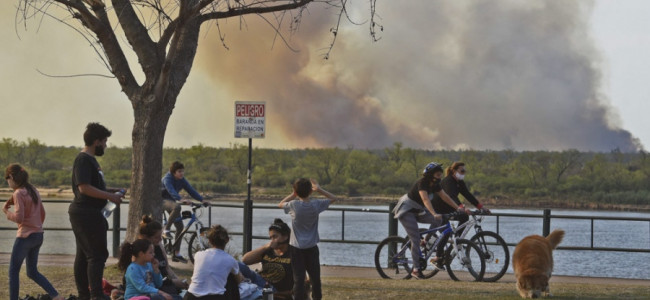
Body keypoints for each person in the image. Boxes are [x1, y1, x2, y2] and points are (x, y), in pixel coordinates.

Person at [69, 122, 125, 300]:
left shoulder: (91, 161)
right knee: (97, 254)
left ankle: (85, 295)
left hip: (89, 212)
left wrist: (112, 192)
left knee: (84, 256)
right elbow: (84, 188)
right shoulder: (83, 160)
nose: (106, 146)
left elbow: (93, 187)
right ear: (96, 141)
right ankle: (96, 295)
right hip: (86, 213)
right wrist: (110, 198)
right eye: (105, 141)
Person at [392, 162, 467, 279]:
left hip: (418, 210)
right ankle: (416, 270)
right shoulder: (422, 183)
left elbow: (445, 196)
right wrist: (433, 213)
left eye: (440, 175)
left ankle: (426, 241)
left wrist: (458, 208)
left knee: (439, 220)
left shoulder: (435, 184)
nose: (440, 177)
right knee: (415, 238)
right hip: (407, 211)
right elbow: (425, 199)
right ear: (430, 175)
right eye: (438, 175)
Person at [3, 164, 65, 300]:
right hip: (38, 235)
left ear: (11, 177)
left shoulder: (19, 193)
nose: (7, 182)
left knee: (13, 271)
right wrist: (36, 226)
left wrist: (6, 212)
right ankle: (56, 295)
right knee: (32, 271)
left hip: (25, 237)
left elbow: (19, 217)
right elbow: (42, 213)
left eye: (7, 179)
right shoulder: (33, 190)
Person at [278, 178, 338, 300]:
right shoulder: (316, 205)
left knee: (298, 279)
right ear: (311, 191)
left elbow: (280, 204)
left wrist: (293, 194)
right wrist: (319, 189)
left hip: (296, 248)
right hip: (311, 248)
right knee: (315, 278)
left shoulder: (294, 205)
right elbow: (333, 198)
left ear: (296, 191)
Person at [160, 161, 209, 263]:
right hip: (161, 200)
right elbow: (170, 191)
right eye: (179, 171)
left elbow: (191, 190)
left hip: (171, 201)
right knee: (177, 207)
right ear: (173, 172)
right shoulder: (167, 179)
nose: (182, 173)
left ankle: (176, 254)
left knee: (180, 227)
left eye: (182, 171)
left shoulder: (182, 180)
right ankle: (166, 230)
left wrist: (202, 200)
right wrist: (181, 199)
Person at [241, 218, 294, 300]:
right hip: (260, 281)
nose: (272, 240)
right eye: (270, 237)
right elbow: (245, 260)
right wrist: (266, 246)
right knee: (237, 265)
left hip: (274, 289)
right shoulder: (268, 250)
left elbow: (302, 279)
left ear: (285, 237)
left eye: (275, 237)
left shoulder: (293, 253)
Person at [185, 225, 242, 300]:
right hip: (215, 297)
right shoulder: (230, 260)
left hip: (191, 296)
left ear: (209, 241)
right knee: (231, 277)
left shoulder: (198, 255)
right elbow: (239, 280)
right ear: (227, 240)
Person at [138, 215, 189, 296]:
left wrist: (179, 281)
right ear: (146, 237)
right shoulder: (141, 253)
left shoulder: (159, 245)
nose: (160, 240)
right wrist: (173, 282)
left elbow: (167, 268)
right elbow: (149, 280)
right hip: (156, 287)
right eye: (156, 237)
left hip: (167, 284)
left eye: (160, 236)